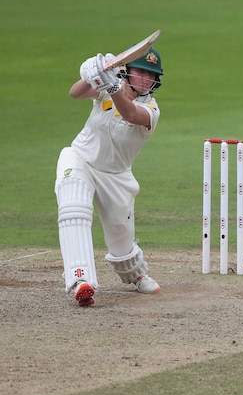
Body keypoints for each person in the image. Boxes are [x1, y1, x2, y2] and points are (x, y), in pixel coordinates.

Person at [56, 47, 165, 306]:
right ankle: (79, 279)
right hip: (81, 159)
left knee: (120, 239)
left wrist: (114, 87)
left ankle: (136, 274)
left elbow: (129, 113)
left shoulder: (151, 109)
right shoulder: (108, 86)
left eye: (151, 75)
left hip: (116, 176)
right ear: (127, 71)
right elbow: (75, 93)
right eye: (140, 72)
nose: (145, 79)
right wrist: (94, 73)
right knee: (74, 208)